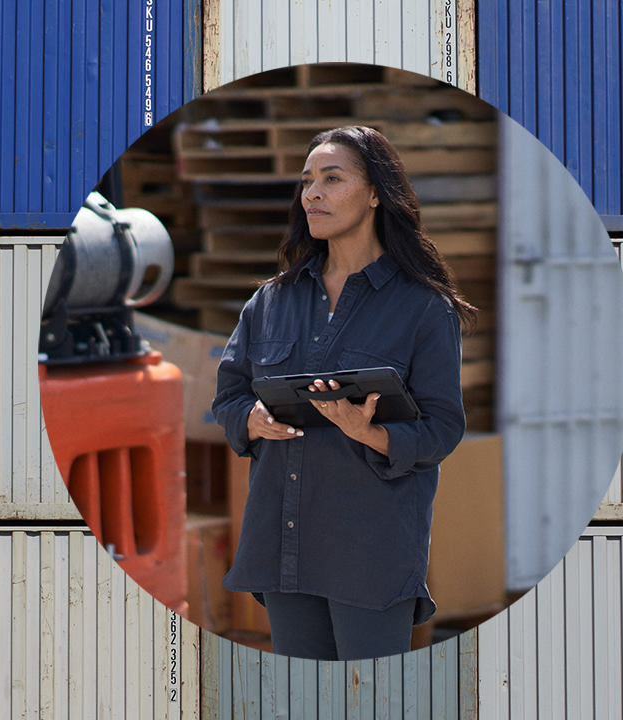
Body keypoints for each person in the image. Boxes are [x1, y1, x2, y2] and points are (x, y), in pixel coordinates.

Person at [211, 125, 476, 661]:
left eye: (332, 178)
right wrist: (252, 420)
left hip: (370, 554)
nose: (312, 192)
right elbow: (229, 396)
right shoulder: (270, 302)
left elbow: (443, 428)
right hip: (283, 545)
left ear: (376, 192)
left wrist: (371, 433)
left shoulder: (423, 309)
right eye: (307, 180)